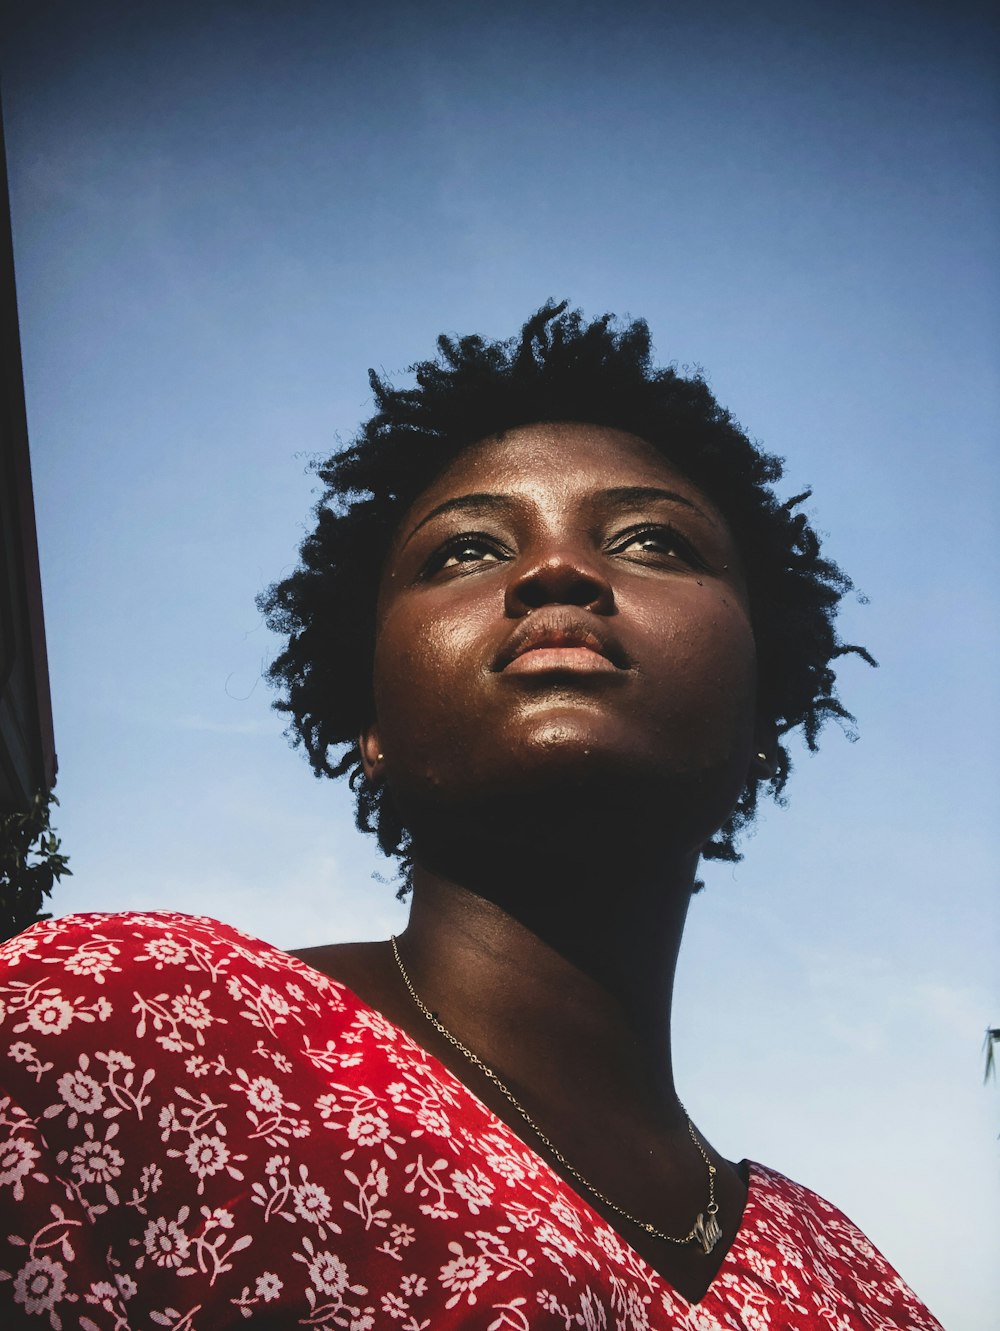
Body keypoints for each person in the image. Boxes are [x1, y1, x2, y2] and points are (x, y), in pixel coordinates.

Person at [0, 304, 941, 1329]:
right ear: (371, 722)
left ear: (767, 703)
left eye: (651, 539)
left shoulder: (852, 1286)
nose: (555, 570)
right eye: (461, 551)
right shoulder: (119, 1026)